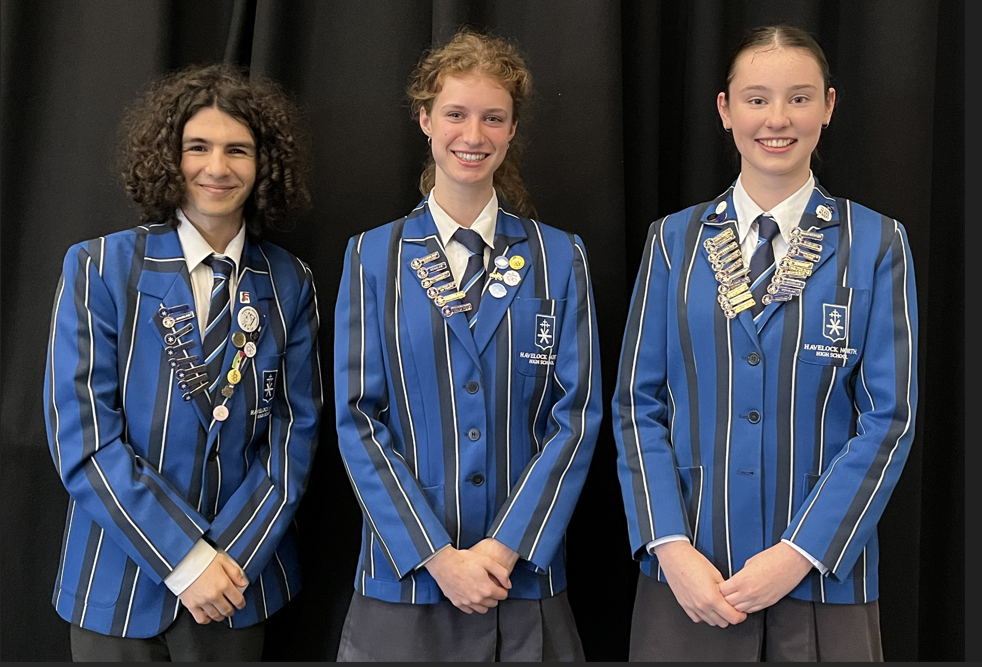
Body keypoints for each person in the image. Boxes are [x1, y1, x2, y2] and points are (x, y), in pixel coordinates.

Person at [612, 25, 917, 662]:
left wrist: (800, 552)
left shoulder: (877, 243)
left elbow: (889, 418)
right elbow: (638, 406)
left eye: (799, 98)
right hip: (692, 575)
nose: (777, 119)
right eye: (757, 99)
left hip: (825, 577)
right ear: (725, 110)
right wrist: (669, 546)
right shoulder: (672, 241)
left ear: (828, 106)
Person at [333, 28, 601, 662]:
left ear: (512, 130)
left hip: (522, 578)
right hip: (405, 580)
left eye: (493, 118)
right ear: (426, 119)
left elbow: (577, 415)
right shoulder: (373, 255)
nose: (473, 135)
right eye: (455, 114)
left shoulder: (559, 256)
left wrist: (505, 548)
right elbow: (356, 417)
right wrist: (436, 555)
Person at [43, 63, 322, 661]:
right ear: (169, 158)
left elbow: (293, 437)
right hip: (115, 582)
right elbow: (83, 437)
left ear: (264, 164)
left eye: (237, 150)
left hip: (239, 584)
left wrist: (227, 562)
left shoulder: (290, 283)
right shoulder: (100, 268)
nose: (216, 167)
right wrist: (187, 560)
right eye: (197, 147)